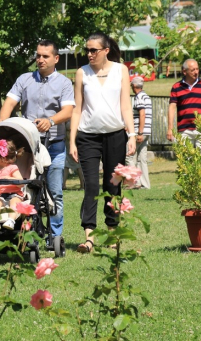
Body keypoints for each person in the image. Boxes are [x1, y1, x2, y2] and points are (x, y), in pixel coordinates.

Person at [0, 39, 74, 249]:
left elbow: (68, 111)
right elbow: (10, 103)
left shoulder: (65, 83)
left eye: (45, 56)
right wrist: (2, 125)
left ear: (55, 59)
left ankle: (54, 236)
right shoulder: (24, 79)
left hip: (54, 145)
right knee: (25, 190)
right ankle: (26, 230)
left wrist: (50, 121)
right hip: (27, 147)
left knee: (55, 192)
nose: (40, 59)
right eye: (38, 55)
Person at [69, 32, 136, 254]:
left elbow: (126, 105)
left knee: (112, 186)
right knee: (91, 186)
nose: (89, 54)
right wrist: (72, 141)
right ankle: (89, 238)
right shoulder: (82, 73)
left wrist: (132, 134)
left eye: (93, 50)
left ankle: (112, 233)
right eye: (87, 50)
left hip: (116, 135)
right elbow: (77, 109)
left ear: (106, 50)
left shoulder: (121, 70)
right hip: (88, 137)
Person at [167, 59, 201, 147]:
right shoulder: (177, 87)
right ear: (184, 71)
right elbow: (172, 108)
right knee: (186, 159)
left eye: (197, 69)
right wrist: (170, 129)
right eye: (193, 70)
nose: (196, 72)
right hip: (184, 130)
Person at [0, 139, 25, 231]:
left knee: (14, 203)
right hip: (1, 195)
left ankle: (11, 220)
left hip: (14, 194)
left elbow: (21, 182)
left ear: (3, 158)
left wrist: (10, 179)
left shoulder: (12, 168)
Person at [125, 77, 152, 189]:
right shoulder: (146, 96)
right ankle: (145, 184)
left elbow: (142, 114)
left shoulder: (139, 97)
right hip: (147, 131)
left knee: (130, 156)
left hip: (139, 131)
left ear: (134, 86)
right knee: (142, 158)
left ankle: (134, 182)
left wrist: (139, 132)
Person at [62, 121, 84, 190]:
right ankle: (63, 185)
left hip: (75, 142)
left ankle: (83, 185)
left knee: (78, 164)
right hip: (68, 142)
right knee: (66, 164)